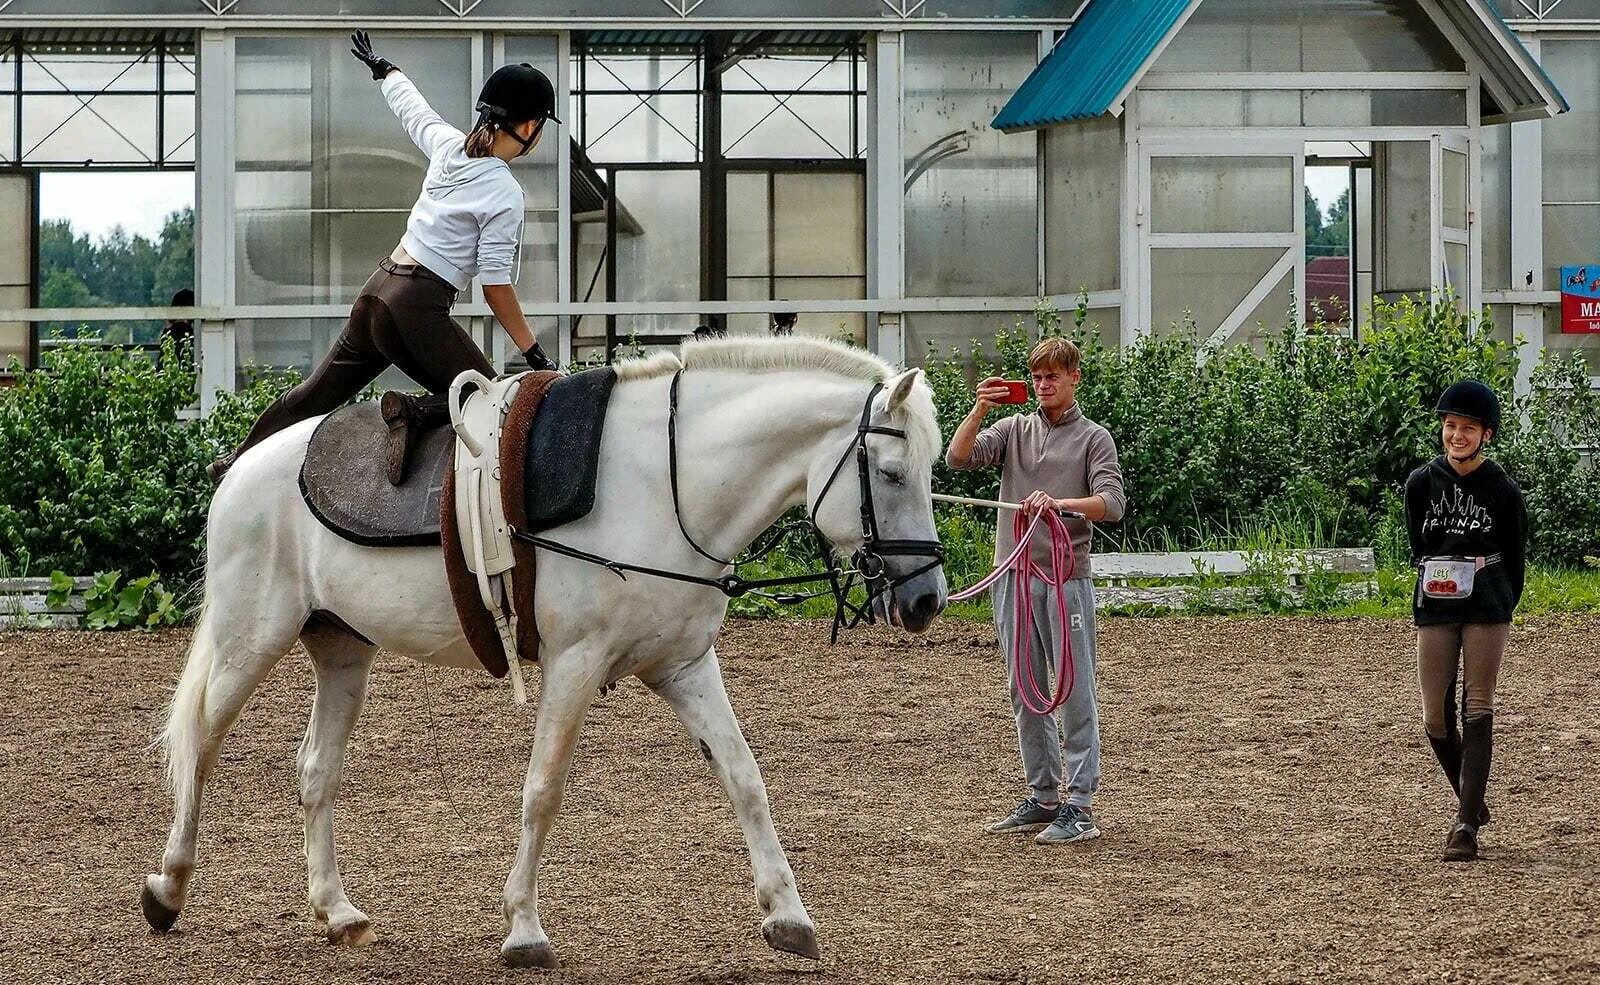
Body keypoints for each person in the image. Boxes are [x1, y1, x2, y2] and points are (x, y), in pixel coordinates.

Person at [208, 30, 561, 485]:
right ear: (530, 128)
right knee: (490, 401)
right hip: (416, 307)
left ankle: (234, 463)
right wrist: (534, 354)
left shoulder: (448, 145)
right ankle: (410, 412)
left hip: (377, 293)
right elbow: (495, 285)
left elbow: (414, 111)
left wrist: (385, 71)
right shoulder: (506, 194)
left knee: (315, 395)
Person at [946, 337, 1126, 845]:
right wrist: (980, 408)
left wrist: (1060, 503)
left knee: (1072, 687)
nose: (1045, 384)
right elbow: (959, 458)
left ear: (1074, 378)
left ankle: (1081, 805)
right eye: (1039, 376)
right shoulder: (1011, 429)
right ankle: (1044, 795)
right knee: (1025, 687)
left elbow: (1111, 503)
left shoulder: (1095, 438)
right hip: (1013, 576)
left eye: (1054, 376)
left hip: (1065, 580)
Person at [1405, 380, 1527, 862]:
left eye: (1468, 428)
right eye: (1451, 426)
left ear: (1486, 435)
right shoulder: (1421, 483)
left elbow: (1515, 553)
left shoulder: (1501, 488)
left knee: (1477, 704)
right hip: (1435, 603)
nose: (1457, 435)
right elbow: (1420, 545)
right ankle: (1472, 799)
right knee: (1434, 716)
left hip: (1485, 605)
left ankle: (1465, 824)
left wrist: (1501, 602)